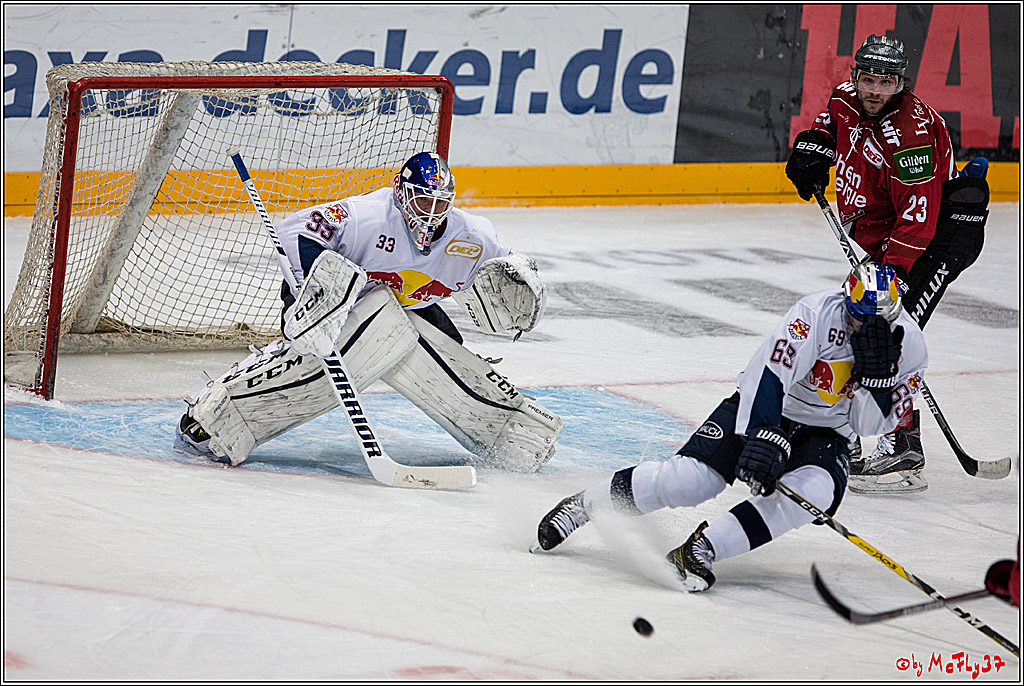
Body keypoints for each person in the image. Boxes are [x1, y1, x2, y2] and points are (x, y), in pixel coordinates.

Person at [531, 261, 927, 592]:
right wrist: (766, 432)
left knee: (815, 494)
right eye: (856, 315)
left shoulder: (911, 348)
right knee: (690, 482)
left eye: (874, 320)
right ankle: (584, 506)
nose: (862, 327)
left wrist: (878, 381)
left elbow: (866, 424)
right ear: (846, 299)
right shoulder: (816, 313)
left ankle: (701, 550)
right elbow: (771, 372)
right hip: (771, 408)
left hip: (828, 433)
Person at [174, 151, 563, 473]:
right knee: (329, 353)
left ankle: (510, 433)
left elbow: (504, 267)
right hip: (333, 304)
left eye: (440, 203)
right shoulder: (366, 216)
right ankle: (215, 419)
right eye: (422, 200)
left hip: (411, 306)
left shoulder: (473, 237)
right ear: (401, 192)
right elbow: (299, 232)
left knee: (448, 355)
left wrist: (520, 274)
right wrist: (321, 290)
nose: (431, 212)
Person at [785, 34, 989, 494]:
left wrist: (887, 278)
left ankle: (902, 446)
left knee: (887, 333)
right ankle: (843, 436)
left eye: (887, 81)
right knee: (849, 328)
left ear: (903, 83)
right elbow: (826, 126)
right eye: (868, 78)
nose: (875, 90)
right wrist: (814, 147)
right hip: (884, 237)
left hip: (934, 242)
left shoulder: (911, 134)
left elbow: (918, 219)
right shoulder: (844, 99)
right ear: (855, 76)